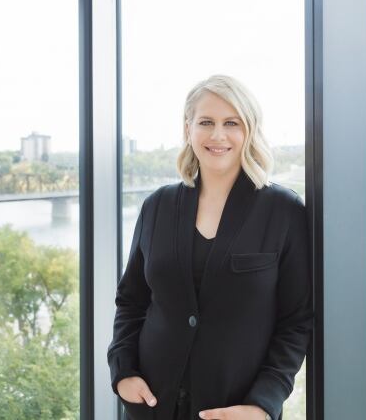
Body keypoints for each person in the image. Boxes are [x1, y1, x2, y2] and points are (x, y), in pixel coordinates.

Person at [107, 74, 313, 420]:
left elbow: (296, 321)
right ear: (188, 128)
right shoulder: (157, 206)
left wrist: (263, 404)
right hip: (151, 407)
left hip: (236, 410)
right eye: (206, 122)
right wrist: (123, 372)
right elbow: (131, 300)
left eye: (231, 123)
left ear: (249, 130)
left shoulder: (284, 210)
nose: (218, 135)